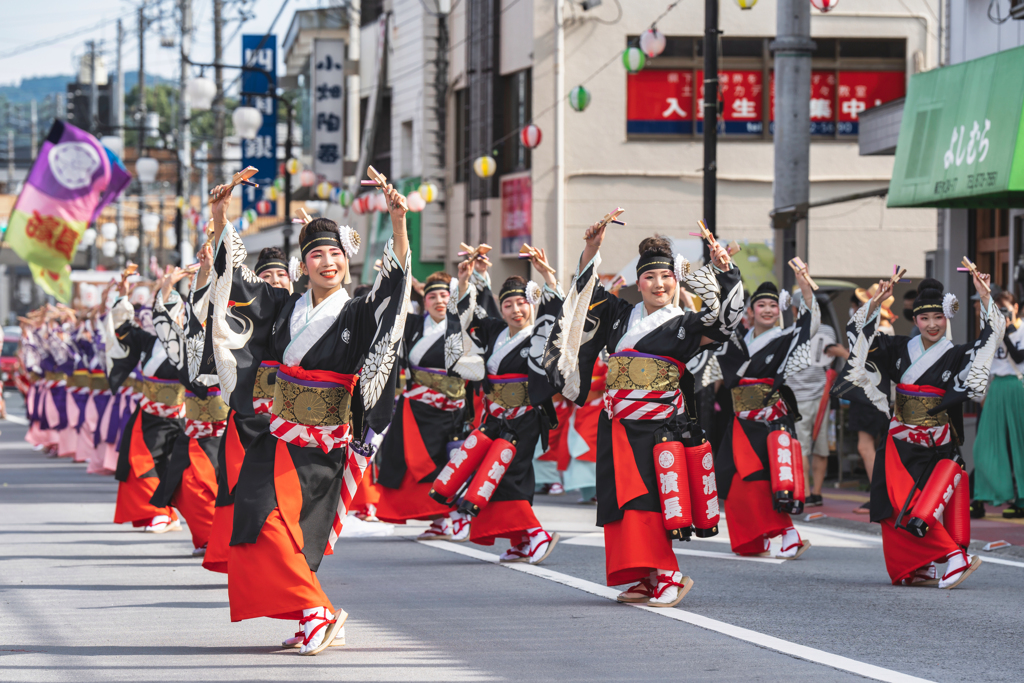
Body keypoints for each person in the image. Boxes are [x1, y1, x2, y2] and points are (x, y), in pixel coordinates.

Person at [203, 179, 410, 655]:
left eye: (335, 253)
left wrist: (398, 223)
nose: (328, 262)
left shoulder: (356, 312)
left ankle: (315, 611)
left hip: (321, 441)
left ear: (347, 259)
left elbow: (393, 290)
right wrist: (221, 217)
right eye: (317, 255)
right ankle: (308, 613)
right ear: (303, 265)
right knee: (256, 519)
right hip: (277, 433)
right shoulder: (281, 306)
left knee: (281, 525)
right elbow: (236, 283)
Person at [543, 227, 743, 607]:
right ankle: (645, 575)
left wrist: (724, 271)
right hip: (617, 422)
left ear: (676, 278)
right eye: (649, 276)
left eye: (666, 276)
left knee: (649, 501)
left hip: (658, 428)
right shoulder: (620, 315)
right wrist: (591, 248)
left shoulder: (685, 323)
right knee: (619, 500)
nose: (658, 284)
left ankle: (669, 573)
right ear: (638, 281)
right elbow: (583, 298)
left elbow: (725, 323)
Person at [844, 275, 1002, 588]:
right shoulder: (897, 347)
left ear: (948, 318)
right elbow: (856, 337)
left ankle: (954, 556)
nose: (932, 324)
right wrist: (875, 303)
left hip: (935, 442)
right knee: (889, 506)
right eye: (924, 318)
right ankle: (923, 564)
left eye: (938, 317)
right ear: (914, 319)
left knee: (914, 506)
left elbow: (992, 338)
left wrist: (985, 298)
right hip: (898, 439)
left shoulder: (957, 354)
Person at [455, 249, 564, 563]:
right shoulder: (494, 332)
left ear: (532, 303)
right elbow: (475, 313)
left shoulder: (539, 335)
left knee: (507, 474)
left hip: (527, 415)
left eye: (522, 303)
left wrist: (548, 277)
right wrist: (467, 282)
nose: (516, 310)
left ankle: (536, 533)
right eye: (508, 304)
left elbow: (555, 317)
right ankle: (520, 539)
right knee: (504, 475)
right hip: (497, 416)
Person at [202, 246, 293, 575]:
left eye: (282, 274)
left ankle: (283, 562)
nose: (275, 281)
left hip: (293, 423)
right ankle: (251, 559)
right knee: (245, 492)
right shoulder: (244, 318)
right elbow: (218, 296)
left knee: (285, 497)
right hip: (248, 419)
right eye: (266, 276)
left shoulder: (306, 312)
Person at [715, 271, 818, 560]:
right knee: (736, 483)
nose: (769, 310)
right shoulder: (739, 339)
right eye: (762, 305)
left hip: (769, 420)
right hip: (740, 420)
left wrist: (805, 291)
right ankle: (753, 539)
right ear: (751, 310)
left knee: (758, 480)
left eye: (774, 305)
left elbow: (809, 324)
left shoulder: (786, 337)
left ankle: (786, 533)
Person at [374, 265, 479, 539]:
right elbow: (391, 310)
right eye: (432, 297)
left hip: (452, 410)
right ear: (424, 300)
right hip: (417, 409)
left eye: (445, 296)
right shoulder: (414, 325)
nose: (439, 301)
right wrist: (393, 279)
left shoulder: (459, 326)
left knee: (448, 463)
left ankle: (452, 514)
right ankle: (437, 517)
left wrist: (466, 281)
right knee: (409, 463)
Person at [103, 275, 186, 534]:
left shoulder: (190, 344)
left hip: (183, 416)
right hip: (149, 413)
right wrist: (123, 297)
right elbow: (123, 329)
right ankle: (158, 512)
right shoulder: (149, 341)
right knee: (141, 463)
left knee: (179, 469)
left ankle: (172, 514)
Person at [785, 289, 843, 507]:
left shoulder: (799, 331)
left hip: (809, 397)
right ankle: (812, 492)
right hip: (810, 398)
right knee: (811, 448)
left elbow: (825, 350)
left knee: (809, 448)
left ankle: (810, 492)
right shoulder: (821, 331)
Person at [972, 291, 1024, 518]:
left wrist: (1006, 331)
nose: (1003, 313)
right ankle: (980, 497)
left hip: (1017, 387)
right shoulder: (991, 331)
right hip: (996, 389)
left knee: (1019, 446)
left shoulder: (1021, 330)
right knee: (985, 446)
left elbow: (1019, 357)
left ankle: (1021, 499)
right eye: (999, 309)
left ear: (1015, 307)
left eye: (1006, 308)